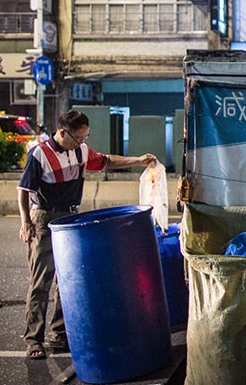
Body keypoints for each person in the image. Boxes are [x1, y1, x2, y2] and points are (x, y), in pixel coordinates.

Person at [17, 109, 156, 360]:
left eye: (85, 137)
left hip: (71, 217)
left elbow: (106, 161)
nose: (82, 142)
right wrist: (25, 221)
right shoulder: (40, 154)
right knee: (41, 280)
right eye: (78, 138)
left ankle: (59, 334)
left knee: (66, 279)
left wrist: (137, 160)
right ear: (62, 132)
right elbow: (23, 190)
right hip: (45, 217)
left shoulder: (80, 151)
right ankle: (33, 339)